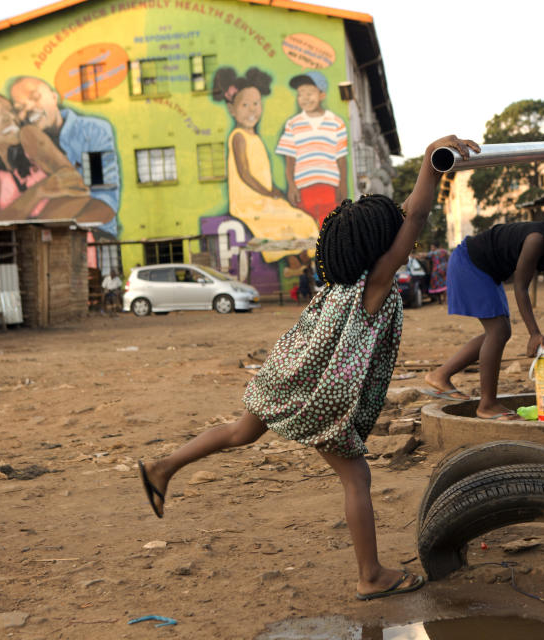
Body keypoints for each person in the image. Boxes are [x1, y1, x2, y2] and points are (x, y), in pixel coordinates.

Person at [138, 135, 480, 600]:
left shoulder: (340, 280)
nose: (401, 236)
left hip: (286, 371)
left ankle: (162, 468)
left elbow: (403, 217)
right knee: (356, 476)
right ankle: (371, 575)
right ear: (381, 248)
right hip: (318, 393)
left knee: (241, 432)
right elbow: (415, 215)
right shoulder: (373, 285)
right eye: (393, 235)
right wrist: (430, 163)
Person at [424, 201, 544, 419]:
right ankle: (487, 405)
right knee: (499, 331)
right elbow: (520, 287)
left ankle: (440, 375)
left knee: (498, 332)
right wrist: (534, 332)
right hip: (470, 261)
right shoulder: (537, 239)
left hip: (488, 270)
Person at [213, 66, 319, 268]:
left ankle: (302, 261)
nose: (252, 109)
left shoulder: (256, 138)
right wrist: (269, 192)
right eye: (245, 105)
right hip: (248, 200)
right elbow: (244, 174)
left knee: (300, 219)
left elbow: (262, 174)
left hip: (264, 197)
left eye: (256, 103)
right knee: (278, 221)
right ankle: (294, 262)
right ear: (232, 109)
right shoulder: (238, 137)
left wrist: (273, 192)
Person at [0, 93, 95, 222]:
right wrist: (38, 192)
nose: (8, 117)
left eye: (11, 110)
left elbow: (76, 186)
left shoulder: (29, 137)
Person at [9, 76, 119, 229]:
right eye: (19, 108)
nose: (28, 108)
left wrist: (59, 231)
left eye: (35, 97)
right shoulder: (21, 147)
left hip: (92, 235)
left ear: (54, 98)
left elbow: (103, 199)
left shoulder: (90, 132)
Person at [276, 70, 348, 226]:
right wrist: (292, 186)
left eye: (309, 93)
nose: (304, 98)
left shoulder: (336, 122)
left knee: (330, 229)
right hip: (303, 189)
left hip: (330, 188)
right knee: (306, 230)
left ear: (322, 95)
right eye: (300, 94)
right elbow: (290, 160)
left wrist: (343, 186)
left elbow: (341, 159)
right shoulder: (293, 124)